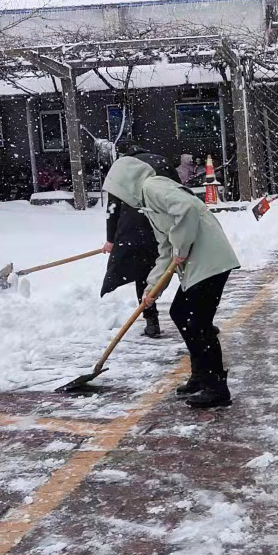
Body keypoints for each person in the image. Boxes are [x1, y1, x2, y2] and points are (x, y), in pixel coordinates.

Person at [103, 155, 241, 409]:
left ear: (126, 182)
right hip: (198, 264)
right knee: (181, 314)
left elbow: (186, 209)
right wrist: (151, 289)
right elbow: (166, 249)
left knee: (197, 322)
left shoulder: (153, 186)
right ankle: (201, 377)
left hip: (210, 259)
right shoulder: (147, 203)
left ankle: (216, 388)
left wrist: (181, 245)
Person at [101, 145, 181, 339]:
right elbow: (180, 192)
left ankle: (151, 321)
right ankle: (201, 319)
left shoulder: (123, 168)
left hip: (135, 227)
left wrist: (111, 239)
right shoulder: (162, 161)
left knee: (143, 271)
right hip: (166, 221)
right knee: (183, 266)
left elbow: (113, 207)